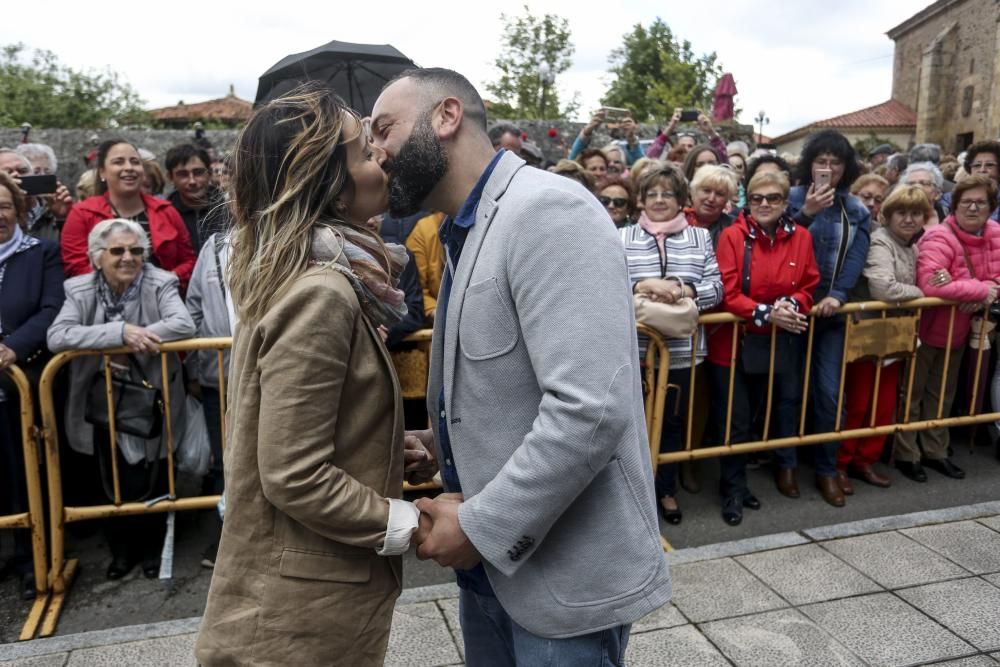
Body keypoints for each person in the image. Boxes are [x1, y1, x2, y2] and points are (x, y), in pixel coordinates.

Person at [371, 67, 669, 664]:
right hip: (497, 578)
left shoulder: (547, 210)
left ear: (447, 116)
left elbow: (588, 410)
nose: (376, 151)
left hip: (562, 585)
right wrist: (442, 441)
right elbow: (514, 383)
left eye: (384, 129)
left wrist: (480, 526)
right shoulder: (469, 224)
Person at [195, 84, 436, 666]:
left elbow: (297, 428)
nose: (380, 160)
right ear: (327, 180)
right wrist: (413, 525)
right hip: (299, 611)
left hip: (302, 597)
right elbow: (294, 474)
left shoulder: (310, 270)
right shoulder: (322, 291)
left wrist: (380, 446)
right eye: (363, 153)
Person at [47, 218, 195, 580]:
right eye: (118, 251)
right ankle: (122, 552)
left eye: (135, 250)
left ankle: (152, 551)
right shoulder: (79, 289)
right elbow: (58, 335)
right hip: (102, 403)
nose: (128, 257)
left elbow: (183, 324)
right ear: (98, 257)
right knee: (111, 476)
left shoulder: (161, 281)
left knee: (158, 474)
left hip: (153, 397)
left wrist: (130, 340)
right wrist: (117, 333)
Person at [709, 171, 819, 525]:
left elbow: (809, 282)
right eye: (756, 198)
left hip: (772, 344)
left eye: (773, 198)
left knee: (756, 415)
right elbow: (727, 292)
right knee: (735, 421)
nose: (764, 204)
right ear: (747, 201)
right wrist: (767, 312)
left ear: (787, 203)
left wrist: (790, 303)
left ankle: (740, 484)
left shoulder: (801, 237)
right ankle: (732, 489)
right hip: (733, 344)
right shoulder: (732, 236)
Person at [620, 163, 722, 525]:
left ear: (681, 199)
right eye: (652, 194)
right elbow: (608, 285)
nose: (660, 200)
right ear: (641, 199)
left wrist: (682, 289)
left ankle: (665, 490)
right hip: (634, 351)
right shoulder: (623, 237)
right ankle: (633, 494)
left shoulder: (700, 238)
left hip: (684, 353)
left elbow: (717, 288)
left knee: (673, 424)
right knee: (632, 424)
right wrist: (641, 287)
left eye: (668, 194)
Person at [894, 176, 1000, 482]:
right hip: (926, 329)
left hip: (960, 330)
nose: (973, 207)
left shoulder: (995, 232)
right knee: (912, 394)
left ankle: (935, 452)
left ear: (991, 207)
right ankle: (906, 454)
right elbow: (931, 284)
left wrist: (972, 288)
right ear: (953, 206)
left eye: (980, 202)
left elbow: (992, 279)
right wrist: (980, 291)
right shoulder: (939, 238)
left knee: (943, 394)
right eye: (966, 202)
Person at [787, 129, 870, 508]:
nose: (828, 168)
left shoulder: (856, 209)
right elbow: (779, 242)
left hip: (832, 314)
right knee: (788, 391)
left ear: (845, 168)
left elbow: (855, 258)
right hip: (793, 310)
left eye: (835, 162)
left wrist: (839, 295)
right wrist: (807, 213)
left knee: (829, 392)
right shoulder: (789, 199)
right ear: (810, 165)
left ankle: (825, 468)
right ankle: (785, 463)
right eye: (821, 161)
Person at [838, 186, 937, 493]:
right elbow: (884, 289)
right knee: (858, 403)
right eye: (902, 213)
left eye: (916, 213)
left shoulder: (912, 245)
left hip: (895, 334)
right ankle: (841, 463)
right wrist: (923, 294)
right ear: (888, 215)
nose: (909, 219)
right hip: (868, 334)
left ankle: (865, 459)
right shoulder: (880, 241)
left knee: (883, 405)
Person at [0, 171, 64, 599]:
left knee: (25, 472)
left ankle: (32, 558)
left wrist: (11, 348)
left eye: (4, 205)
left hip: (23, 381)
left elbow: (50, 308)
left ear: (20, 210)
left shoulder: (42, 252)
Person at [62, 140, 197, 290]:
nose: (129, 168)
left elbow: (189, 260)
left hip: (161, 302)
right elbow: (75, 266)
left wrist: (169, 279)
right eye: (118, 162)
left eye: (135, 162)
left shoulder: (166, 211)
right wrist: (118, 286)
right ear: (102, 172)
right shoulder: (82, 214)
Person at [0, 149, 73, 244]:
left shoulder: (53, 210)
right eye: (8, 172)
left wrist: (63, 218)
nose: (16, 175)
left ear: (33, 173)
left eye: (23, 170)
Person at [165, 143, 226, 251]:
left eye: (198, 173)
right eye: (183, 174)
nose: (192, 181)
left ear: (210, 173)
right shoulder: (164, 216)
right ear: (170, 177)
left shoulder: (228, 209)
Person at [685, 164, 738, 247]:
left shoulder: (734, 227)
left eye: (719, 194)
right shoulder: (675, 222)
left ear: (726, 201)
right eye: (706, 191)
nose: (711, 199)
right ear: (693, 192)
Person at [902, 162, 945, 226]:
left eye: (924, 183)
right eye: (911, 184)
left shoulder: (948, 215)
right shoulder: (895, 219)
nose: (917, 187)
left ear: (937, 193)